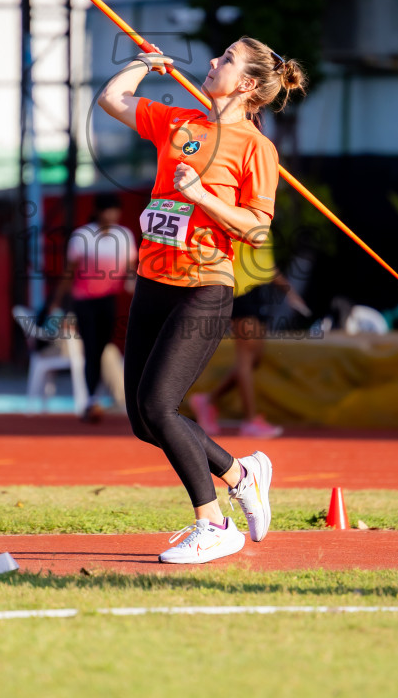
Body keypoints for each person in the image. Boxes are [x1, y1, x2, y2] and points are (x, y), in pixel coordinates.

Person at [98, 36, 306, 564]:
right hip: (152, 282)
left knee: (158, 406)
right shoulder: (179, 122)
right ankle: (243, 473)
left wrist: (201, 196)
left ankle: (213, 524)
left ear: (248, 85)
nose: (213, 62)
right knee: (144, 422)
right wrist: (143, 65)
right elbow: (112, 100)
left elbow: (257, 231)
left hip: (204, 289)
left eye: (227, 59)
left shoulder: (257, 149)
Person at [190, 232, 311, 440]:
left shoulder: (263, 221)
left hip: (259, 291)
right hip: (240, 290)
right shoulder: (235, 218)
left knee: (255, 358)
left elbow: (264, 264)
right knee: (245, 358)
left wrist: (288, 292)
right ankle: (250, 420)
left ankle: (208, 400)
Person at [49, 192, 137, 423]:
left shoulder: (125, 236)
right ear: (98, 211)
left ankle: (100, 396)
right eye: (107, 209)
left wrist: (133, 284)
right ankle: (90, 400)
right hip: (84, 302)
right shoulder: (82, 236)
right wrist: (58, 303)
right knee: (91, 349)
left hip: (109, 300)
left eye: (115, 209)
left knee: (102, 349)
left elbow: (131, 269)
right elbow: (69, 273)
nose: (112, 214)